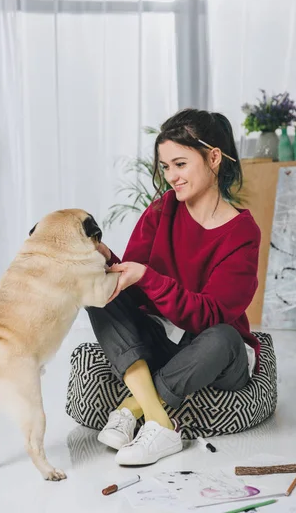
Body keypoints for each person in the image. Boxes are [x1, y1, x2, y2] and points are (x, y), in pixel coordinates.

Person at [86, 108, 261, 467]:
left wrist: (146, 276)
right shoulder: (162, 209)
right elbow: (133, 288)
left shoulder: (243, 233)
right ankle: (160, 421)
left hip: (213, 353)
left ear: (214, 158)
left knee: (223, 336)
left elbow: (210, 316)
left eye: (180, 164)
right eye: (165, 167)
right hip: (164, 339)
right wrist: (105, 260)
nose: (171, 177)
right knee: (95, 292)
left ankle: (131, 407)